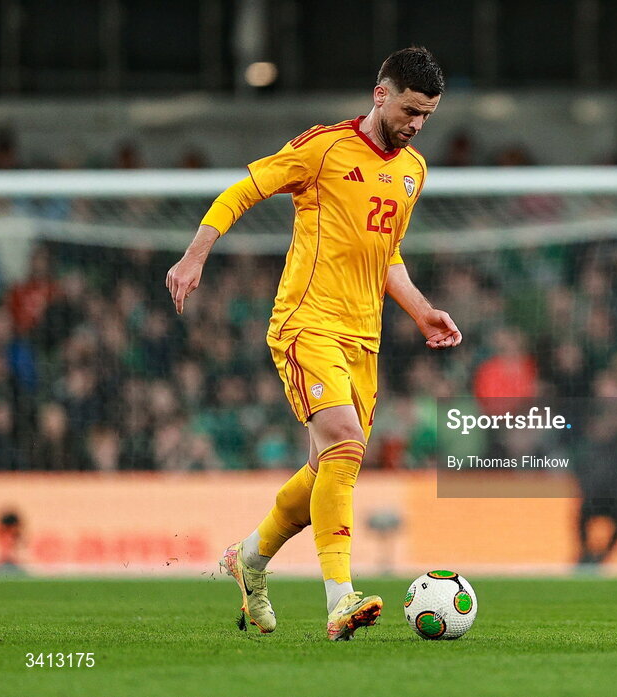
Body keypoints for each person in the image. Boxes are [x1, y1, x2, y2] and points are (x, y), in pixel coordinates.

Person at [165, 47, 461, 641]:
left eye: (426, 114)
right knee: (346, 447)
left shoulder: (413, 172)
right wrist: (195, 254)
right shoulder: (323, 147)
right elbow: (244, 189)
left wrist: (423, 311)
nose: (416, 124)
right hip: (306, 323)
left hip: (364, 340)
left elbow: (387, 256)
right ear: (381, 95)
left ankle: (247, 562)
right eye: (409, 109)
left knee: (324, 469)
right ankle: (339, 601)